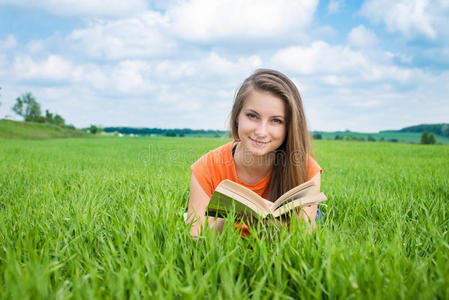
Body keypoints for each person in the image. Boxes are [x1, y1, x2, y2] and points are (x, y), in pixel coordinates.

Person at [187, 69, 322, 237]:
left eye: (276, 121)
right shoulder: (207, 168)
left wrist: (273, 225)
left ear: (289, 126)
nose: (261, 131)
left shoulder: (306, 168)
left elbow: (303, 241)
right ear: (237, 116)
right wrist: (227, 219)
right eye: (252, 116)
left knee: (317, 219)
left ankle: (318, 214)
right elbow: (194, 240)